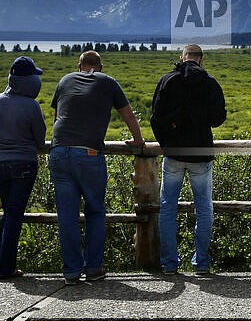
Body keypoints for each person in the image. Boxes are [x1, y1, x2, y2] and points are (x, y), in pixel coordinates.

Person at [49, 50, 145, 285]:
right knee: (95, 210)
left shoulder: (65, 80)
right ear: (100, 67)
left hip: (59, 151)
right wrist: (139, 141)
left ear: (78, 65)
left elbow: (56, 119)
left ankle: (71, 272)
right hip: (89, 153)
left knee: (67, 216)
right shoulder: (108, 82)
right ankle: (93, 268)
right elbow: (128, 115)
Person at [150, 44, 227, 276]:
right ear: (201, 60)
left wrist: (167, 143)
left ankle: (170, 263)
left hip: (174, 153)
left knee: (167, 207)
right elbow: (218, 119)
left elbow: (155, 117)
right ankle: (201, 262)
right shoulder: (210, 83)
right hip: (201, 152)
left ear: (181, 58)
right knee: (204, 207)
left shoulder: (167, 80)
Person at [0, 55, 47, 280]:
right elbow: (40, 141)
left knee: (8, 213)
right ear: (29, 81)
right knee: (14, 215)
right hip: (23, 164)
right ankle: (5, 268)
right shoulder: (31, 106)